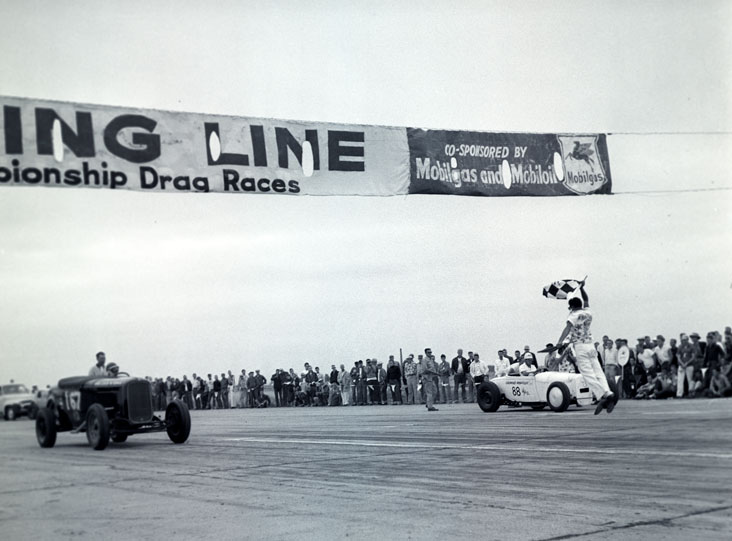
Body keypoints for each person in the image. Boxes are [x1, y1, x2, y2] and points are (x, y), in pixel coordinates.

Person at [555, 283, 615, 414]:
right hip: (591, 345)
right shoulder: (588, 312)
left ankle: (603, 394)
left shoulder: (573, 315)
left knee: (587, 373)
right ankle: (608, 392)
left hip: (581, 347)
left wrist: (559, 341)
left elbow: (567, 328)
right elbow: (586, 299)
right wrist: (582, 288)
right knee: (598, 371)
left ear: (572, 306)